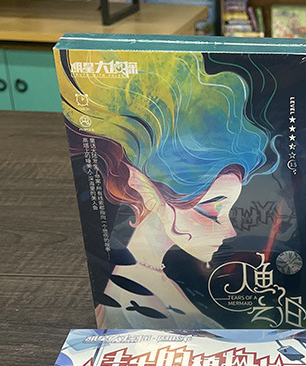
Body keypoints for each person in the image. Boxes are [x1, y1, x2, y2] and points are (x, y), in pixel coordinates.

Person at [61, 51, 274, 327]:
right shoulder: (135, 301)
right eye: (212, 211)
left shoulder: (151, 280)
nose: (230, 231)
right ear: (147, 189)